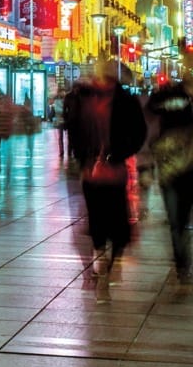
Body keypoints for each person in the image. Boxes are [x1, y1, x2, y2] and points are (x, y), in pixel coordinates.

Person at [64, 62, 147, 300]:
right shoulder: (85, 99)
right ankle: (102, 266)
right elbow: (74, 128)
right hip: (91, 172)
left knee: (118, 222)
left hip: (115, 171)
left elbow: (138, 133)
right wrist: (81, 157)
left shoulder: (126, 101)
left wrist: (119, 153)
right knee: (97, 220)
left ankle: (111, 263)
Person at [146, 75, 193, 286]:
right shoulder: (169, 95)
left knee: (178, 222)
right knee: (177, 223)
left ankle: (182, 265)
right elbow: (148, 117)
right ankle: (182, 266)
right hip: (171, 170)